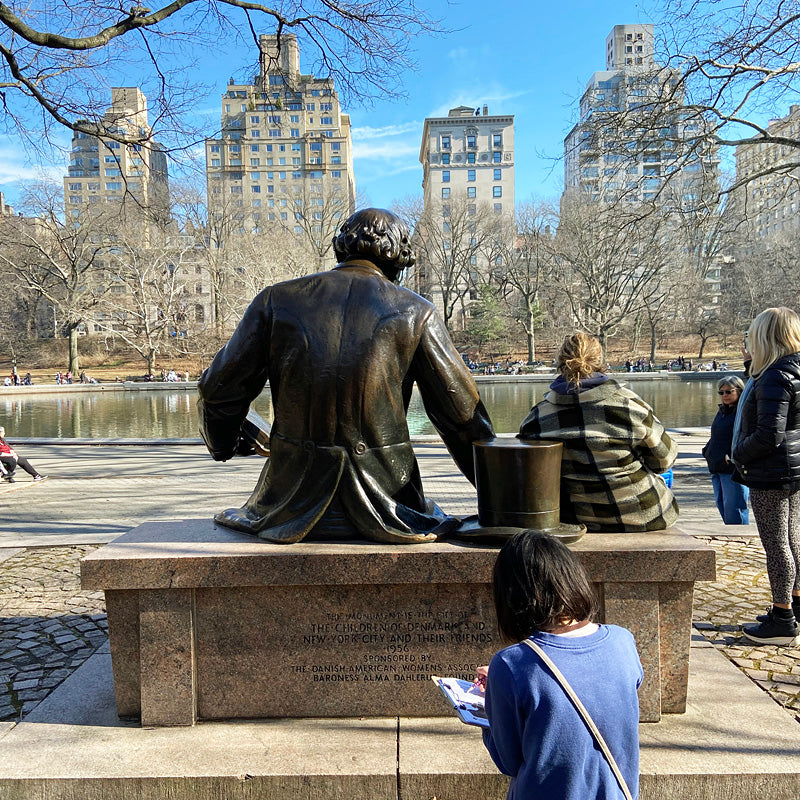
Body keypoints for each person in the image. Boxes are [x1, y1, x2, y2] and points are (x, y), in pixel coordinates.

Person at [198, 207, 495, 544]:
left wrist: (224, 445)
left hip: (286, 507)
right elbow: (463, 419)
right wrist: (503, 503)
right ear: (399, 257)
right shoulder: (417, 311)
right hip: (391, 507)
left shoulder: (275, 300)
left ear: (342, 246)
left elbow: (218, 390)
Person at [479, 530, 642, 800]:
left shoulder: (510, 665)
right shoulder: (623, 641)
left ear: (511, 596)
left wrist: (490, 706)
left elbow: (508, 761)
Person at [519, 332, 678, 532]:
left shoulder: (536, 418)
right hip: (644, 514)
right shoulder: (630, 406)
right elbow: (664, 461)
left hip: (576, 517)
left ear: (560, 363)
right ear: (599, 361)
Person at [732, 307, 800, 645]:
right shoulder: (792, 369)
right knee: (793, 538)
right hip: (792, 470)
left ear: (765, 336)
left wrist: (737, 453)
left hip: (772, 473)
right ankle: (795, 605)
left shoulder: (775, 375)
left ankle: (782, 618)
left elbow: (769, 434)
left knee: (777, 545)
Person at [702, 376, 750, 525]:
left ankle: (740, 535)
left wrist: (733, 456)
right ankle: (732, 532)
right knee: (722, 504)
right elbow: (716, 435)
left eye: (729, 391)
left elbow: (747, 437)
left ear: (739, 391)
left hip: (732, 468)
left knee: (735, 509)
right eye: (721, 392)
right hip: (716, 465)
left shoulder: (744, 413)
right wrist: (707, 451)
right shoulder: (722, 411)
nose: (724, 395)